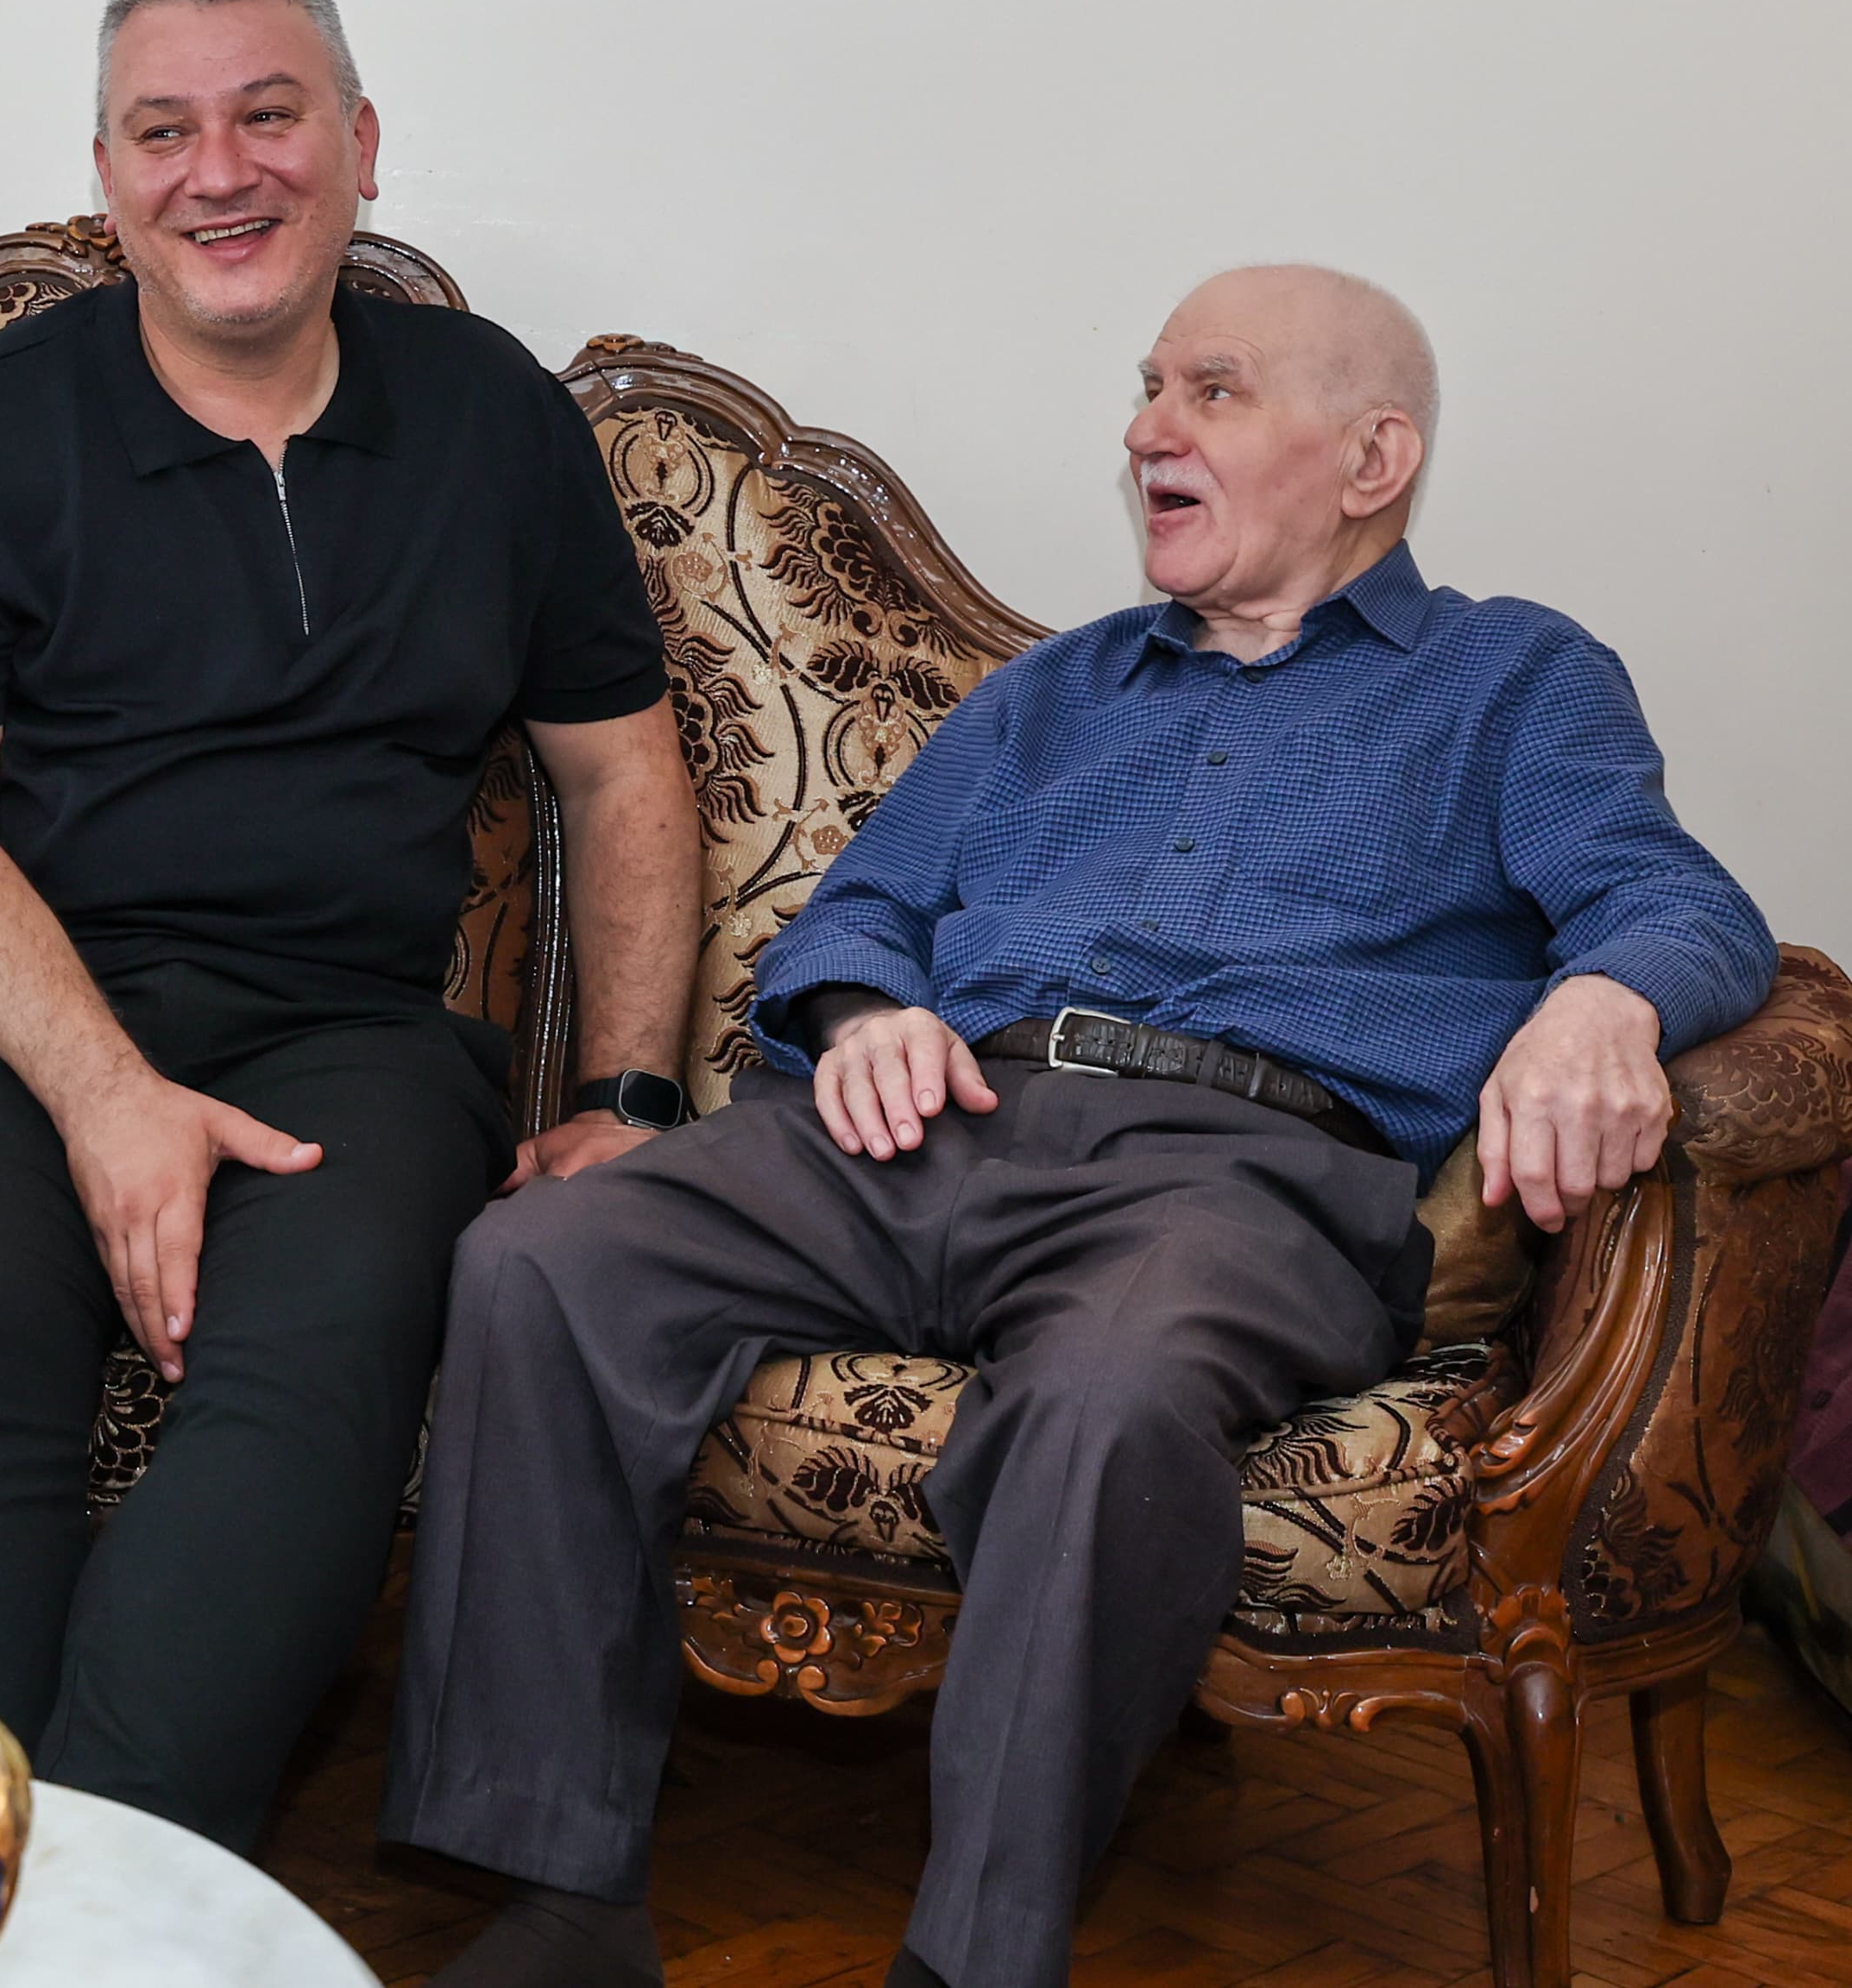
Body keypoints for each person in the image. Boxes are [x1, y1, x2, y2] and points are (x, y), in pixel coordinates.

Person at [384, 265, 1779, 1988]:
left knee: (1105, 1400)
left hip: (1241, 1175)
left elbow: (1680, 902)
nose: (1144, 430)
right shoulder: (1056, 690)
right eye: (1147, 387)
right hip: (937, 1117)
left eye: (1211, 390)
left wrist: (1602, 1001)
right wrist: (871, 1013)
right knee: (544, 1257)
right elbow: (858, 911)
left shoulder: (1512, 679)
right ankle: (563, 1903)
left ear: (1372, 458)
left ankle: (976, 1959)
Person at [0, 0, 706, 1852]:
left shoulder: (492, 419)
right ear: (105, 175)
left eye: (268, 116)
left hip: (340, 1031)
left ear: (359, 144)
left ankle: (95, 1903)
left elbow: (622, 774)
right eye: (164, 131)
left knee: (315, 1368)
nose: (221, 172)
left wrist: (623, 1095)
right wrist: (107, 1092)